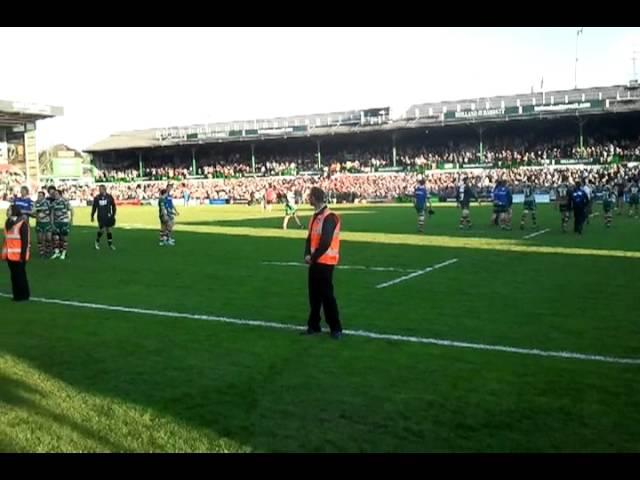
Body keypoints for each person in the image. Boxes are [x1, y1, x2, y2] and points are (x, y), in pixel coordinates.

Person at [302, 186, 343, 339]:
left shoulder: (330, 216)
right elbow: (309, 238)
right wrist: (307, 254)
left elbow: (326, 242)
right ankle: (314, 325)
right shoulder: (315, 216)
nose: (308, 199)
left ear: (314, 198)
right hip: (315, 261)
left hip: (325, 262)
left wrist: (312, 257)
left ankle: (336, 328)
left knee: (327, 296)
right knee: (314, 296)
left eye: (309, 196)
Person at [2, 205, 30, 301]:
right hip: (10, 255)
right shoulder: (8, 222)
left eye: (9, 210)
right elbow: (6, 239)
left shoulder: (22, 224)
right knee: (14, 276)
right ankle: (17, 295)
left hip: (19, 255)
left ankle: (23, 295)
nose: (7, 211)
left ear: (14, 211)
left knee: (20, 276)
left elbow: (25, 241)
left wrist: (22, 256)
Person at [91, 184, 117, 250]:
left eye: (101, 189)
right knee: (102, 230)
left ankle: (110, 244)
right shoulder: (97, 198)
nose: (99, 190)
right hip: (100, 216)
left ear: (104, 189)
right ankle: (97, 241)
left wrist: (113, 214)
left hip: (108, 216)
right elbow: (94, 207)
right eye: (99, 189)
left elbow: (113, 206)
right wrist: (92, 216)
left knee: (108, 230)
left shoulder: (109, 197)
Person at [51, 188, 73, 260]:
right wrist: (52, 222)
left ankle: (64, 252)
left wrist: (71, 220)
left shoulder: (65, 201)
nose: (55, 195)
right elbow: (52, 213)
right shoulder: (53, 203)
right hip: (56, 222)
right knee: (56, 238)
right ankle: (57, 252)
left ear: (60, 195)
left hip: (64, 222)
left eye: (56, 194)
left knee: (64, 238)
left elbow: (71, 210)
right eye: (54, 194)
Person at [33, 191, 53, 257]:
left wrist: (51, 221)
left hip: (47, 223)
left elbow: (51, 211)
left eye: (40, 196)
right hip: (39, 223)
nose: (39, 197)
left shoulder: (47, 203)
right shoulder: (35, 203)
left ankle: (47, 251)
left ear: (44, 197)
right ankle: (41, 252)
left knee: (48, 238)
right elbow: (32, 213)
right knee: (39, 238)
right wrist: (36, 215)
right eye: (38, 196)